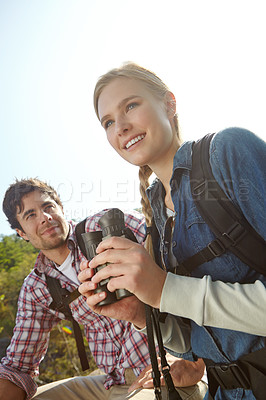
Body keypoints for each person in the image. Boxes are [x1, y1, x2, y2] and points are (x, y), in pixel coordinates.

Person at [78, 63, 266, 399]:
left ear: (170, 103)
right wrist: (138, 311)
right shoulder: (155, 220)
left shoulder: (229, 152)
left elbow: (179, 294)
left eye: (130, 106)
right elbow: (195, 339)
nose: (120, 127)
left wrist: (165, 288)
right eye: (107, 122)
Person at [0, 178, 207, 400]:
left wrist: (196, 361)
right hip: (112, 383)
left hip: (168, 370)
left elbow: (186, 255)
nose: (45, 217)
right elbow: (18, 366)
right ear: (21, 232)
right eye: (31, 215)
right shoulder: (36, 287)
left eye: (48, 206)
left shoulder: (103, 225)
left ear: (60, 208)